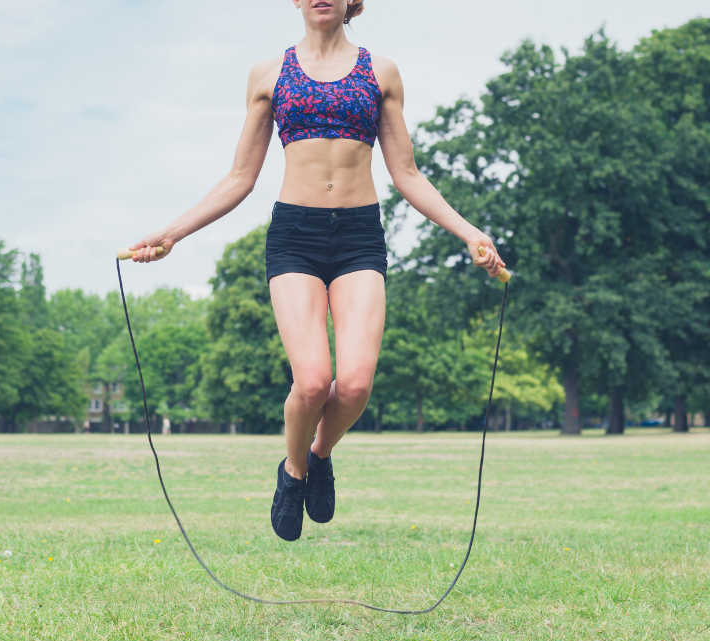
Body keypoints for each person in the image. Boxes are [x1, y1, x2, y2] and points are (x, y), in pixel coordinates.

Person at [128, 0, 504, 542]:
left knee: (352, 385)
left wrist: (470, 232)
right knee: (312, 381)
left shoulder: (381, 72)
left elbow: (407, 174)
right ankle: (293, 473)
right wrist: (171, 233)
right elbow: (239, 177)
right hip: (295, 239)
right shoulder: (268, 75)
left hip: (358, 238)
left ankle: (319, 453)